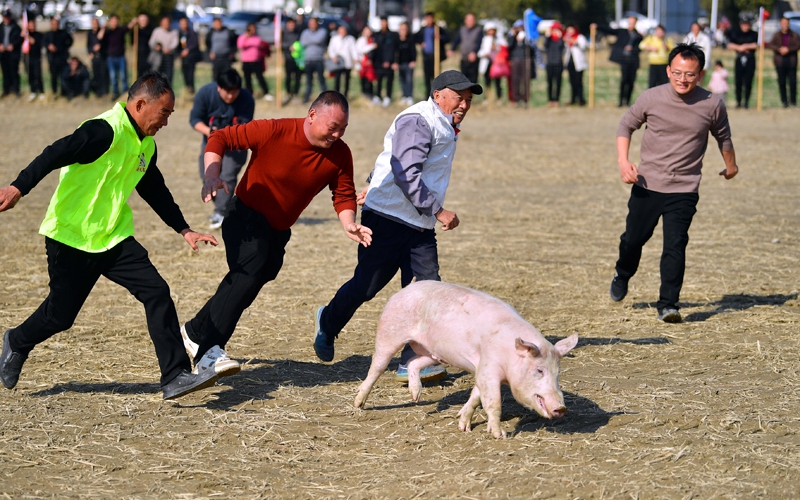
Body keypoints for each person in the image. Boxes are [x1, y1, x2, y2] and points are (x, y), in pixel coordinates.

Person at [0, 71, 220, 399]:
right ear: (140, 104)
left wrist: (184, 229)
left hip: (113, 237)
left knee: (157, 291)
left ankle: (175, 375)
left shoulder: (146, 145)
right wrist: (18, 187)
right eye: (164, 112)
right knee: (60, 315)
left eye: (170, 114)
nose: (166, 122)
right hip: (71, 237)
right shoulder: (103, 131)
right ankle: (17, 341)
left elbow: (154, 189)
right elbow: (54, 153)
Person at [179, 91, 371, 377]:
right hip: (244, 217)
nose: (337, 134)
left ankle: (194, 331)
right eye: (333, 127)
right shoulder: (275, 130)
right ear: (312, 115)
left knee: (256, 278)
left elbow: (342, 193)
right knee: (249, 271)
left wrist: (348, 223)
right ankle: (209, 351)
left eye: (343, 128)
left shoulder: (340, 153)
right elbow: (220, 137)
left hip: (278, 230)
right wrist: (212, 175)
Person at [313, 71, 482, 382]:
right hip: (387, 218)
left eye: (468, 100)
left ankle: (413, 360)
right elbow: (404, 169)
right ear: (437, 95)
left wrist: (374, 183)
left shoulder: (444, 123)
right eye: (459, 98)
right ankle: (328, 321)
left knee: (426, 289)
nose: (464, 105)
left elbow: (393, 157)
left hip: (418, 225)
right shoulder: (419, 120)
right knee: (367, 286)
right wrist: (438, 210)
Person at [609, 43, 738, 323]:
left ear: (700, 74)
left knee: (675, 245)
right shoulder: (651, 98)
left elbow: (723, 137)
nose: (683, 79)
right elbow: (625, 126)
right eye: (677, 72)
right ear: (668, 70)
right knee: (633, 240)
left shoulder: (712, 104)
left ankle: (668, 305)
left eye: (690, 74)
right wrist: (623, 162)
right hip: (647, 185)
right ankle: (623, 273)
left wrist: (731, 166)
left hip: (684, 188)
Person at [189, 69, 254, 229]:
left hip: (235, 145)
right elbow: (195, 119)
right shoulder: (205, 93)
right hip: (211, 142)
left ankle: (221, 213)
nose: (230, 96)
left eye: (234, 92)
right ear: (219, 87)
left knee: (227, 176)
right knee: (207, 177)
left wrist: (226, 135)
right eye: (227, 92)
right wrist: (211, 132)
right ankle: (225, 209)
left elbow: (245, 126)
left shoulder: (246, 99)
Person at [592, 16, 643, 106]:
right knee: (624, 80)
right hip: (624, 60)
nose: (631, 24)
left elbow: (641, 48)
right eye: (629, 22)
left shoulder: (638, 36)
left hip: (633, 61)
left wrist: (633, 49)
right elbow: (610, 31)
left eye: (632, 23)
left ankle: (627, 101)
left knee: (631, 81)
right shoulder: (622, 32)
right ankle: (621, 101)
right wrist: (597, 26)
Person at [767, 17, 800, 108]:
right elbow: (770, 44)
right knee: (782, 82)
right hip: (780, 61)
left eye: (787, 23)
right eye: (783, 23)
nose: (785, 25)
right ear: (780, 24)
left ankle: (793, 101)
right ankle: (784, 101)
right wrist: (779, 49)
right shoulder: (777, 35)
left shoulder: (794, 35)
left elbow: (798, 45)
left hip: (791, 60)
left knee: (792, 82)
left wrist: (788, 49)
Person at [414, 12, 449, 98]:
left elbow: (448, 38)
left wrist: (440, 37)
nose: (429, 20)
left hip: (436, 57)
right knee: (427, 77)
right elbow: (414, 37)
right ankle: (428, 95)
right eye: (427, 18)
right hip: (426, 57)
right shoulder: (423, 30)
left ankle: (436, 95)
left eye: (431, 18)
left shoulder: (438, 29)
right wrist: (420, 43)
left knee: (436, 76)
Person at [726, 16, 758, 108]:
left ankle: (746, 102)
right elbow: (730, 45)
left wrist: (746, 46)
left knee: (748, 81)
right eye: (744, 24)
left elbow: (757, 45)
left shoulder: (754, 34)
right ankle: (738, 101)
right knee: (738, 81)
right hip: (739, 58)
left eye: (747, 24)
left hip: (750, 59)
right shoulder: (736, 33)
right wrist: (739, 48)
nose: (745, 26)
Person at [237, 22, 272, 100]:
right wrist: (247, 37)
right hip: (246, 61)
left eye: (254, 29)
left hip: (256, 61)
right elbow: (240, 45)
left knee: (260, 77)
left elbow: (260, 44)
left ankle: (266, 92)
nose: (253, 30)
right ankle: (249, 93)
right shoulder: (243, 37)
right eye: (251, 29)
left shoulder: (257, 37)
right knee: (248, 79)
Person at [449, 13, 482, 86]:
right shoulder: (462, 30)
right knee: (463, 79)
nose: (470, 22)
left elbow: (479, 43)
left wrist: (474, 52)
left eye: (472, 20)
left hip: (474, 59)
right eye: (469, 20)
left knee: (473, 80)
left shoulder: (478, 30)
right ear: (465, 21)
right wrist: (452, 49)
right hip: (464, 58)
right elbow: (457, 40)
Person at [300, 17, 328, 104]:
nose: (311, 25)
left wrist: (308, 40)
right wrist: (312, 40)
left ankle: (326, 99)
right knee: (308, 81)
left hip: (319, 60)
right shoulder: (305, 32)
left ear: (317, 23)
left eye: (313, 23)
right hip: (308, 60)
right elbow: (302, 43)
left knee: (321, 80)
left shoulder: (323, 31)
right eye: (310, 23)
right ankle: (307, 97)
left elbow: (318, 40)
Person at [42, 16, 72, 98]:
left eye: (56, 24)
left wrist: (64, 48)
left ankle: (64, 92)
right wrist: (49, 46)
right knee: (53, 77)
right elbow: (43, 42)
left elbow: (70, 41)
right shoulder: (48, 34)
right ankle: (54, 92)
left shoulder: (63, 33)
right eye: (53, 24)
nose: (54, 25)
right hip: (52, 59)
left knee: (63, 76)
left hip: (62, 58)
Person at [372, 17, 398, 107]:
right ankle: (378, 96)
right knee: (378, 80)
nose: (383, 24)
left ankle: (388, 97)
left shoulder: (392, 35)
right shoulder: (376, 35)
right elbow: (375, 49)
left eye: (385, 23)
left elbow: (393, 49)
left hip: (389, 63)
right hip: (378, 63)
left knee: (389, 81)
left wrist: (390, 61)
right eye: (382, 23)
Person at [101, 15, 128, 100]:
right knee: (113, 76)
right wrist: (103, 27)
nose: (114, 23)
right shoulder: (107, 32)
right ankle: (115, 92)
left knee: (123, 75)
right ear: (110, 22)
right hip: (111, 57)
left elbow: (129, 26)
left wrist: (135, 21)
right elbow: (100, 37)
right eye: (112, 21)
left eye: (116, 21)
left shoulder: (121, 30)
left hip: (121, 57)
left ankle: (125, 92)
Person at [478, 22, 506, 102]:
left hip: (496, 64)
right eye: (490, 30)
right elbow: (479, 52)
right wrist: (485, 53)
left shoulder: (499, 39)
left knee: (497, 82)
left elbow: (504, 48)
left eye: (493, 30)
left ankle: (499, 98)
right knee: (487, 81)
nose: (492, 32)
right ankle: (487, 98)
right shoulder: (484, 39)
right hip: (487, 63)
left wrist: (496, 48)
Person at [327, 24, 357, 98]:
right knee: (337, 79)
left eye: (344, 31)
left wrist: (355, 58)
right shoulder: (334, 39)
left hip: (347, 62)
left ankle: (345, 95)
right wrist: (333, 57)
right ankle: (337, 95)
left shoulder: (350, 39)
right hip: (338, 62)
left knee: (347, 79)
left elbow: (353, 49)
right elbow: (330, 49)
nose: (343, 32)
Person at [149, 16, 178, 84]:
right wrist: (156, 47)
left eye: (167, 22)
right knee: (156, 74)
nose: (166, 24)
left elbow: (175, 43)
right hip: (158, 56)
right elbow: (151, 42)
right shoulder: (157, 31)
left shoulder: (174, 32)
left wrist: (169, 48)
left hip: (168, 56)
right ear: (161, 23)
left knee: (168, 75)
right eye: (164, 22)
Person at [206, 17, 236, 81]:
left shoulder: (228, 31)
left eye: (219, 23)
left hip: (226, 56)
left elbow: (234, 43)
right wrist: (210, 52)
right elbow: (207, 43)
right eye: (215, 23)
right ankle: (215, 86)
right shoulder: (211, 33)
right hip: (216, 57)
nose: (217, 25)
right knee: (216, 74)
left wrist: (232, 52)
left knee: (227, 74)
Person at [563, 25, 587, 106]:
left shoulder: (580, 37)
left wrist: (573, 41)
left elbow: (583, 46)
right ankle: (573, 99)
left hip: (578, 63)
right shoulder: (567, 38)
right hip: (570, 63)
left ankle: (581, 99)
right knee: (572, 82)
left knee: (578, 81)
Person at [0, 10, 22, 98]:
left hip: (13, 53)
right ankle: (6, 89)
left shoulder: (16, 27)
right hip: (3, 53)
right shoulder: (0, 27)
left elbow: (20, 38)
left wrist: (13, 45)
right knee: (5, 72)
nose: (6, 19)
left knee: (14, 72)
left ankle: (16, 89)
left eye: (7, 17)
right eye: (5, 17)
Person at [22, 16, 44, 101]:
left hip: (36, 58)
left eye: (33, 25)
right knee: (30, 75)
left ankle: (41, 91)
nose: (32, 27)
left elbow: (34, 42)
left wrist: (27, 36)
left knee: (37, 75)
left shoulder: (39, 35)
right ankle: (33, 91)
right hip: (27, 58)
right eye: (30, 25)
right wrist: (24, 33)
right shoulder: (25, 35)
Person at [507, 20, 529, 107]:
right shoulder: (511, 36)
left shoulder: (526, 36)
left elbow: (530, 48)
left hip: (524, 59)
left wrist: (524, 39)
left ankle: (525, 99)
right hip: (515, 59)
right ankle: (516, 99)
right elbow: (509, 46)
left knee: (525, 80)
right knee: (515, 80)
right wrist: (513, 36)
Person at [281, 17, 302, 104]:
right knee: (288, 77)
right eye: (290, 24)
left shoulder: (298, 33)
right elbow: (280, 44)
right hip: (288, 58)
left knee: (298, 77)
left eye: (293, 24)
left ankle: (295, 94)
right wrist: (288, 47)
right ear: (287, 24)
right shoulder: (283, 33)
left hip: (298, 59)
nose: (292, 25)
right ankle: (288, 93)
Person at [544, 22, 565, 106]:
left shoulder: (560, 39)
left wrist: (560, 37)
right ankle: (550, 99)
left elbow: (561, 47)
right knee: (550, 82)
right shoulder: (549, 39)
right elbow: (545, 45)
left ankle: (556, 99)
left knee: (558, 82)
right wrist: (547, 36)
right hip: (550, 63)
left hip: (558, 63)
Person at [177, 17, 200, 94]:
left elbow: (195, 44)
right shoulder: (179, 33)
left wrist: (188, 50)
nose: (184, 25)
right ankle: (187, 91)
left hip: (191, 58)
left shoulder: (192, 33)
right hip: (183, 58)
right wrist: (180, 53)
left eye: (185, 23)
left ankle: (191, 91)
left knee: (190, 76)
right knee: (185, 75)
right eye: (182, 23)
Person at [396, 21, 416, 105]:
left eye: (405, 29)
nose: (403, 31)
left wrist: (413, 61)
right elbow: (395, 52)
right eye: (402, 29)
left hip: (409, 64)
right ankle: (404, 96)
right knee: (402, 80)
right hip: (400, 64)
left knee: (409, 80)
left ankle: (409, 96)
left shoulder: (410, 39)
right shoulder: (397, 40)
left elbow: (413, 51)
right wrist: (396, 62)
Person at [87, 17, 108, 97]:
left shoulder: (102, 32)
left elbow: (101, 39)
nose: (95, 25)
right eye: (93, 23)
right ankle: (98, 92)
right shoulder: (90, 33)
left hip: (102, 57)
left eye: (96, 23)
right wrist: (90, 52)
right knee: (96, 75)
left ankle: (104, 91)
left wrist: (103, 28)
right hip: (94, 57)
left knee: (103, 74)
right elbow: (88, 44)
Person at [356, 25, 376, 100]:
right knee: (363, 80)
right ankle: (364, 94)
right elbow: (360, 50)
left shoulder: (373, 39)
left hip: (371, 64)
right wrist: (372, 46)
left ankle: (371, 94)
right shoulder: (361, 40)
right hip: (362, 63)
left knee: (370, 79)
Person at [130, 14, 152, 79]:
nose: (144, 22)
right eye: (142, 20)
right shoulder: (135, 30)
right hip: (138, 55)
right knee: (139, 73)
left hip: (149, 55)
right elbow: (132, 42)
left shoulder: (151, 30)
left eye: (145, 20)